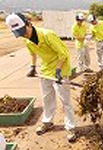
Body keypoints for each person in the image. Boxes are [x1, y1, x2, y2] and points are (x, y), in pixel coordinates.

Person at [6, 13, 76, 142]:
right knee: (47, 98)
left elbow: (63, 53)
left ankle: (70, 127)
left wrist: (59, 70)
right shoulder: (27, 41)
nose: (24, 35)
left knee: (65, 100)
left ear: (29, 24)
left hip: (60, 69)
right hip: (45, 71)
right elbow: (33, 53)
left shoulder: (47, 35)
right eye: (19, 33)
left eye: (23, 31)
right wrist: (32, 67)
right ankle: (47, 122)